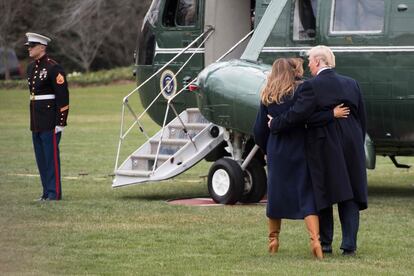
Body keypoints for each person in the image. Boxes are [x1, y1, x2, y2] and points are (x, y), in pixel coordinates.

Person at [269, 46, 368, 256]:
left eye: (309, 61)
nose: (308, 67)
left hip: (325, 143)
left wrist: (275, 124)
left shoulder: (311, 87)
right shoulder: (352, 84)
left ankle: (326, 243)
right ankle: (349, 245)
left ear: (317, 61)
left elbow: (299, 116)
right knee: (349, 194)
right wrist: (356, 141)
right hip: (352, 143)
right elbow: (361, 118)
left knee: (323, 192)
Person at [253, 58, 349, 259]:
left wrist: (266, 147)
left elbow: (258, 130)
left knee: (276, 196)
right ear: (291, 71)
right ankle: (315, 241)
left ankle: (273, 239)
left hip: (277, 151)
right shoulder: (301, 91)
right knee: (306, 195)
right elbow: (306, 117)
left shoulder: (267, 95)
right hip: (299, 148)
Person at [25, 32, 69, 201]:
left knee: (51, 159)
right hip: (36, 119)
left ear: (42, 47)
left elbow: (62, 96)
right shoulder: (31, 68)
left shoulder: (53, 67)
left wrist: (61, 122)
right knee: (41, 159)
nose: (29, 49)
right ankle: (46, 192)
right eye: (28, 46)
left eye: (32, 46)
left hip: (50, 120)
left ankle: (54, 193)